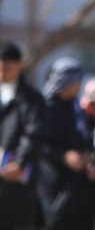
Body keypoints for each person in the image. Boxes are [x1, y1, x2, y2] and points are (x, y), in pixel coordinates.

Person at [37, 57, 95, 230]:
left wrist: (85, 154)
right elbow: (38, 144)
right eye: (76, 81)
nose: (79, 85)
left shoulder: (77, 109)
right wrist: (63, 156)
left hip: (77, 186)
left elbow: (84, 137)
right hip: (52, 185)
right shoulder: (46, 108)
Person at [0, 42, 45, 230]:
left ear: (19, 65)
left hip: (17, 179)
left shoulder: (32, 99)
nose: (2, 73)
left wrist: (19, 161)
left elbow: (33, 133)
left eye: (6, 68)